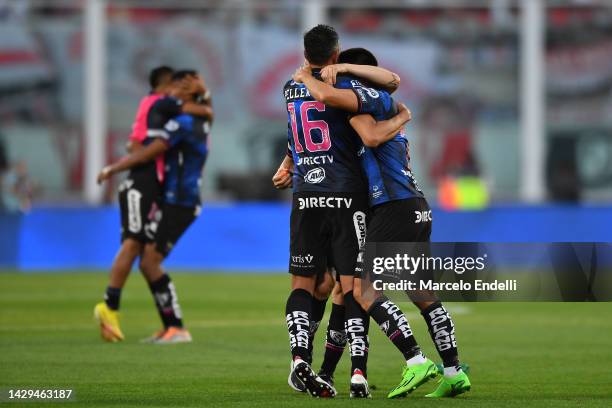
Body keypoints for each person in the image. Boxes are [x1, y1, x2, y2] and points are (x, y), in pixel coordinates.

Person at [293, 47, 471, 398]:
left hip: (391, 207)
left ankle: (416, 360)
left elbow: (370, 137)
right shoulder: (384, 102)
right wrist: (403, 116)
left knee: (363, 289)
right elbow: (391, 89)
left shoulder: (362, 103)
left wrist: (306, 77)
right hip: (416, 207)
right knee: (422, 293)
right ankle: (453, 371)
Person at [276, 24, 411, 398]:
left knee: (306, 284)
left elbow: (296, 130)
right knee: (352, 285)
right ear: (336, 55)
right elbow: (391, 83)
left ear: (305, 54)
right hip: (345, 194)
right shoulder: (344, 87)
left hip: (306, 195)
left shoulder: (290, 87)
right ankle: (358, 372)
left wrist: (288, 162)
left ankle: (299, 360)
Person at [94, 68, 213, 344]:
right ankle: (171, 326)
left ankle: (177, 328)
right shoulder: (196, 118)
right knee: (148, 263)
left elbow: (153, 149)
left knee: (149, 260)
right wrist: (204, 94)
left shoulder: (183, 122)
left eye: (182, 87)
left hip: (181, 202)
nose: (174, 93)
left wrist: (115, 167)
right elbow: (207, 111)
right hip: (171, 199)